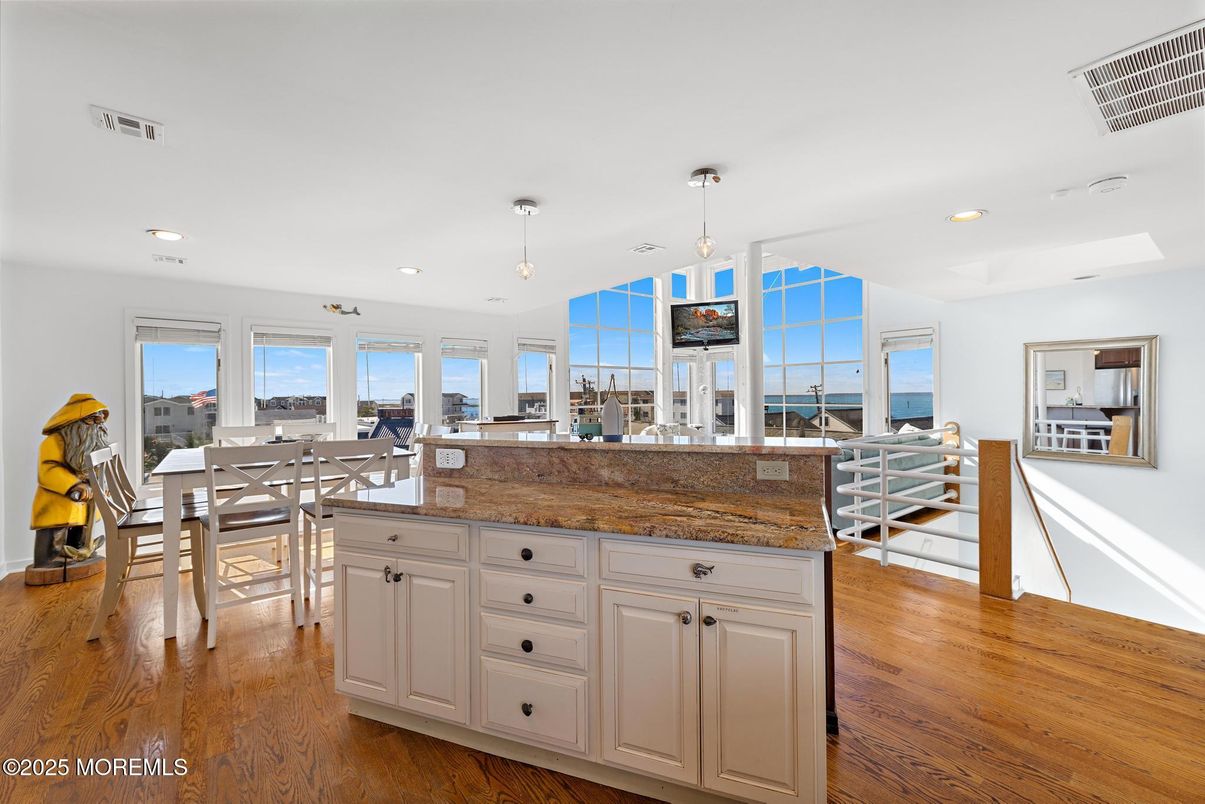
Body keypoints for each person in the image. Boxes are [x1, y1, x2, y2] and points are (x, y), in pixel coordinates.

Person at [30, 394, 110, 567]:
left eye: (100, 419)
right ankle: (50, 562)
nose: (98, 424)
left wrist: (103, 483)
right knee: (55, 535)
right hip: (59, 500)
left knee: (81, 530)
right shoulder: (54, 442)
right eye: (91, 419)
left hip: (86, 500)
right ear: (75, 421)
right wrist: (73, 484)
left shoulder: (93, 443)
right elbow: (48, 470)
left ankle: (80, 554)